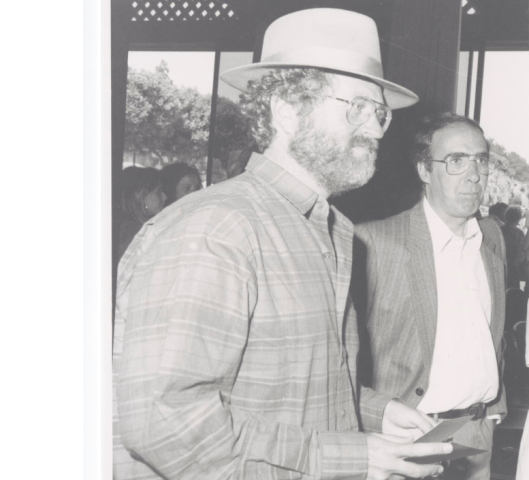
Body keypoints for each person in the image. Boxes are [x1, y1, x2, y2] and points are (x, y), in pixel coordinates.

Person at [113, 9, 452, 480]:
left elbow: (293, 385)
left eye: (380, 113)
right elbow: (167, 424)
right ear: (286, 109)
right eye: (355, 106)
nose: (375, 129)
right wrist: (355, 457)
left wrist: (374, 412)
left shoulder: (334, 231)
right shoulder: (216, 228)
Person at [352, 113, 507, 480]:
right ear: (425, 170)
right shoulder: (374, 243)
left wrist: (495, 410)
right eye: (456, 161)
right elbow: (341, 363)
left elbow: (493, 336)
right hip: (408, 440)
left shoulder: (492, 239)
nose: (473, 175)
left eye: (481, 160)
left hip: (478, 435)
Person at [115, 166, 166, 261]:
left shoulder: (124, 227)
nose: (164, 197)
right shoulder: (136, 233)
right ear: (140, 195)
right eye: (159, 192)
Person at [501, 206, 526, 290]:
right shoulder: (519, 233)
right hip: (513, 268)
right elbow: (521, 252)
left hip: (500, 266)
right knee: (512, 293)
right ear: (518, 218)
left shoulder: (499, 229)